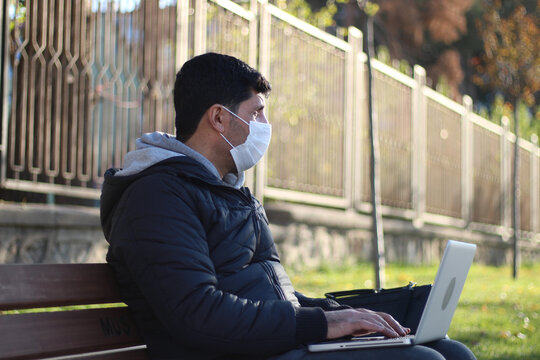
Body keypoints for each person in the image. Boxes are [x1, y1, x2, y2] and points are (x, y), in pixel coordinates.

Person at [100, 52, 476, 360]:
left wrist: (344, 316)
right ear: (218, 118)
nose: (265, 124)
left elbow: (279, 296)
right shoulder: (158, 197)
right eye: (255, 113)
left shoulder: (229, 192)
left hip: (273, 346)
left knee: (449, 352)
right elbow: (198, 313)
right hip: (234, 353)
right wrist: (320, 325)